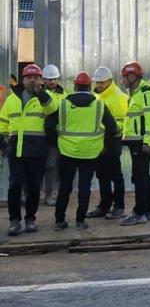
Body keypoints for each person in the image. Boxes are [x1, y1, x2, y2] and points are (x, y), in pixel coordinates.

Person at [51, 72, 119, 231]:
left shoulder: (62, 104)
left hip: (67, 151)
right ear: (90, 87)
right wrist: (104, 145)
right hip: (90, 153)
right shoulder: (99, 105)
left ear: (75, 86)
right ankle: (80, 221)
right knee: (84, 187)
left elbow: (49, 126)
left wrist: (58, 142)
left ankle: (59, 220)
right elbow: (112, 127)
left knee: (65, 186)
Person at [1, 64, 58, 235]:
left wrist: (41, 93)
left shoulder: (46, 97)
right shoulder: (12, 99)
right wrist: (2, 142)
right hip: (16, 150)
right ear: (23, 80)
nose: (32, 80)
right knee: (15, 186)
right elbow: (3, 121)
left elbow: (53, 108)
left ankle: (30, 219)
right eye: (29, 77)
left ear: (41, 80)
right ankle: (14, 221)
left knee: (34, 187)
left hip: (37, 150)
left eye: (36, 77)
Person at [119, 62, 150, 226]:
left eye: (124, 77)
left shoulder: (146, 92)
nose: (123, 80)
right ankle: (147, 210)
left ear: (132, 77)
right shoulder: (136, 93)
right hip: (136, 141)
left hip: (141, 142)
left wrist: (147, 142)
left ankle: (140, 212)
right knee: (142, 175)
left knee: (140, 176)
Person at [86, 66, 128, 220]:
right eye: (97, 82)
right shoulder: (99, 97)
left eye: (101, 82)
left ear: (110, 81)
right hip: (100, 142)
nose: (98, 85)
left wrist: (111, 134)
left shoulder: (118, 98)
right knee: (102, 176)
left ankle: (118, 207)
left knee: (115, 175)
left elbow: (124, 122)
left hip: (112, 141)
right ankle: (104, 205)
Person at [40, 64, 65, 206]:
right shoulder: (38, 94)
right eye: (49, 79)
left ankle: (50, 194)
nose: (52, 82)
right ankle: (35, 192)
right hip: (38, 135)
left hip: (55, 137)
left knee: (51, 166)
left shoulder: (64, 95)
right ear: (43, 79)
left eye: (54, 79)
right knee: (35, 166)